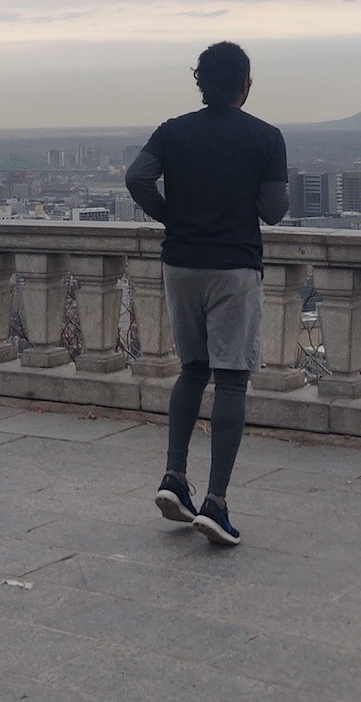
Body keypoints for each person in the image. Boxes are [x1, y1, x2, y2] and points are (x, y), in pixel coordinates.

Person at [125, 42, 288, 545]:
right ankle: (215, 503)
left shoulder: (173, 131)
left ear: (200, 83)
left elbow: (137, 178)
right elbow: (275, 210)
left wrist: (171, 214)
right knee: (232, 379)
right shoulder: (265, 137)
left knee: (192, 369)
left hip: (180, 263)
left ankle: (175, 476)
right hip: (234, 267)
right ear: (246, 84)